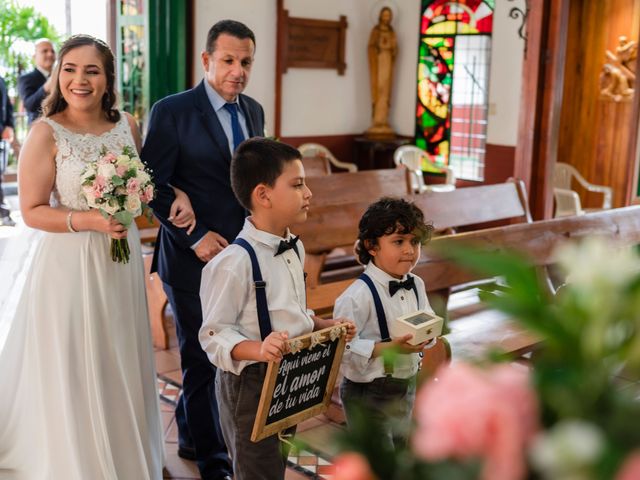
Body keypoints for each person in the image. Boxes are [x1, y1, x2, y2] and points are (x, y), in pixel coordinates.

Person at [0, 34, 193, 479]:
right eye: (69, 69)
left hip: (118, 264)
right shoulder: (46, 132)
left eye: (91, 70)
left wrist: (172, 193)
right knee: (74, 360)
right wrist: (89, 221)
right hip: (69, 265)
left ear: (108, 79)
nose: (79, 80)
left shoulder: (128, 123)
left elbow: (144, 184)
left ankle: (125, 453)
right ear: (57, 75)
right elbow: (31, 211)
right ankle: (78, 460)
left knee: (116, 355)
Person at [142, 19, 265, 480]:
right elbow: (150, 186)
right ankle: (215, 462)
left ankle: (194, 439)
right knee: (202, 356)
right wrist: (194, 237)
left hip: (238, 256)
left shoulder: (253, 110)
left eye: (246, 62)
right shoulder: (172, 110)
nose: (238, 71)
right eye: (229, 60)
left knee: (226, 351)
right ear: (207, 60)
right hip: (189, 257)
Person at [199, 137, 355, 480]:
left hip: (287, 378)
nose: (309, 193)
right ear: (263, 195)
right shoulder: (233, 263)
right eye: (298, 185)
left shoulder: (294, 247)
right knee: (255, 470)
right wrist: (259, 348)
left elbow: (291, 312)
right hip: (250, 385)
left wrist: (325, 324)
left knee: (273, 465)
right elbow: (213, 335)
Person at [334, 197, 435, 451]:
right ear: (372, 246)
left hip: (407, 383)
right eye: (398, 242)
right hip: (369, 392)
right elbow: (342, 353)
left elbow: (428, 319)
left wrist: (427, 335)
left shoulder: (417, 284)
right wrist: (386, 348)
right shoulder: (356, 297)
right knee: (378, 460)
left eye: (415, 242)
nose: (409, 250)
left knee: (402, 452)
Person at [366, 6, 397, 139]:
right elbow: (370, 47)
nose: (386, 18)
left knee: (386, 91)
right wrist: (378, 49)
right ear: (380, 16)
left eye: (388, 15)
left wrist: (391, 49)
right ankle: (377, 120)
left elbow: (395, 48)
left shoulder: (392, 31)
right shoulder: (376, 31)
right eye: (384, 15)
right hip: (378, 62)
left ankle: (384, 120)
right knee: (379, 90)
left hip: (388, 61)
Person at [18, 38, 56, 124]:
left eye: (52, 51)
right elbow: (29, 105)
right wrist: (45, 88)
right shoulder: (26, 78)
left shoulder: (61, 77)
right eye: (45, 51)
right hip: (39, 129)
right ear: (34, 56)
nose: (50, 54)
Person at [0, 74, 15, 226]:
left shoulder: (1, 80)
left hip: (2, 138)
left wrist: (9, 126)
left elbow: (8, 107)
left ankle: (4, 213)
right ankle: (4, 213)